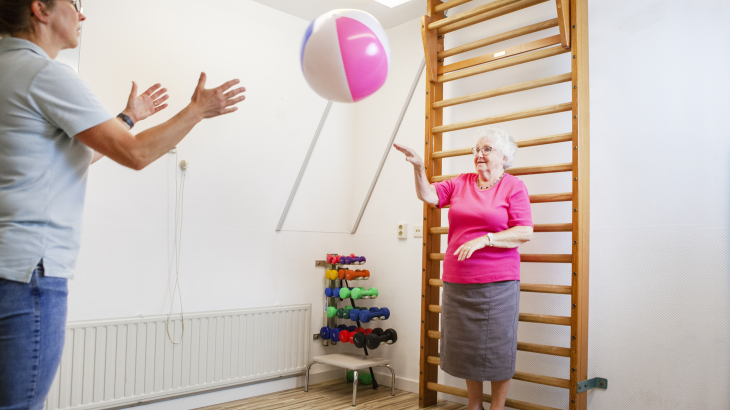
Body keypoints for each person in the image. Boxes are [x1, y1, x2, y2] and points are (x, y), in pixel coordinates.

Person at [0, 0, 246, 408]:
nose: (82, 15)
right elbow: (135, 156)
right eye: (74, 4)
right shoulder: (45, 74)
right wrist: (197, 110)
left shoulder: (8, 70)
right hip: (32, 273)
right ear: (40, 9)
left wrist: (128, 118)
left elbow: (73, 151)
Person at [394, 127, 533, 410]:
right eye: (476, 150)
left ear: (504, 157)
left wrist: (487, 239)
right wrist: (419, 168)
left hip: (498, 283)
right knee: (468, 348)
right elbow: (429, 195)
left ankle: (497, 407)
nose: (479, 155)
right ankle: (474, 406)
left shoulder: (513, 186)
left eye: (487, 149)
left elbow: (524, 231)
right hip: (458, 281)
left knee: (496, 349)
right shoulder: (461, 183)